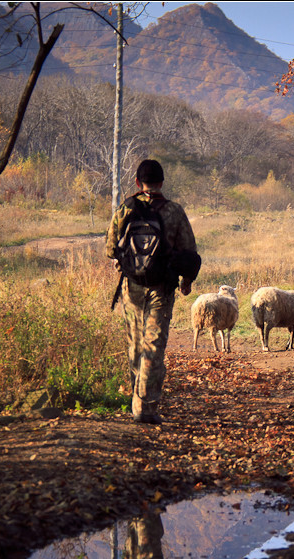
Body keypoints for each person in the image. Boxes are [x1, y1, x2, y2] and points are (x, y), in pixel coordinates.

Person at [106, 159, 197, 424]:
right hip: (161, 288)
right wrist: (186, 281)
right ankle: (145, 408)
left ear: (137, 182)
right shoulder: (174, 211)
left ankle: (137, 402)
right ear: (162, 182)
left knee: (135, 345)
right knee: (154, 346)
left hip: (131, 287)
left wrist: (122, 260)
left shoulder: (126, 208)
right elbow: (189, 252)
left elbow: (111, 249)